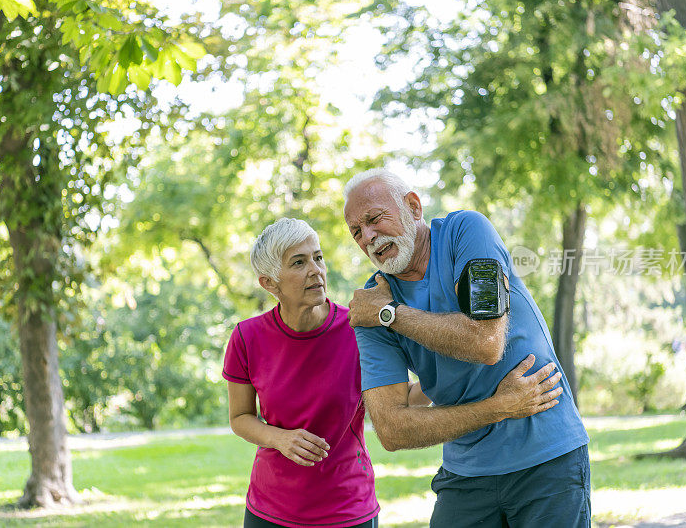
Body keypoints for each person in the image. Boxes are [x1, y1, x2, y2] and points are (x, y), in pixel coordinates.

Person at [223, 217, 566, 528]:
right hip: (270, 508)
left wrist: (482, 386)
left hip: (347, 506)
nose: (316, 270)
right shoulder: (246, 338)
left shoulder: (359, 327)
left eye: (318, 257)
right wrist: (279, 438)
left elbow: (406, 396)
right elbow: (240, 417)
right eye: (299, 262)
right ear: (269, 282)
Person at [343, 169, 591, 528]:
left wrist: (391, 315)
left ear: (413, 207)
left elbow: (486, 340)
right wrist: (499, 407)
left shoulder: (467, 232)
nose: (368, 236)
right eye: (356, 232)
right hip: (466, 474)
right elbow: (392, 429)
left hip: (546, 459)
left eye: (374, 219)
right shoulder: (370, 307)